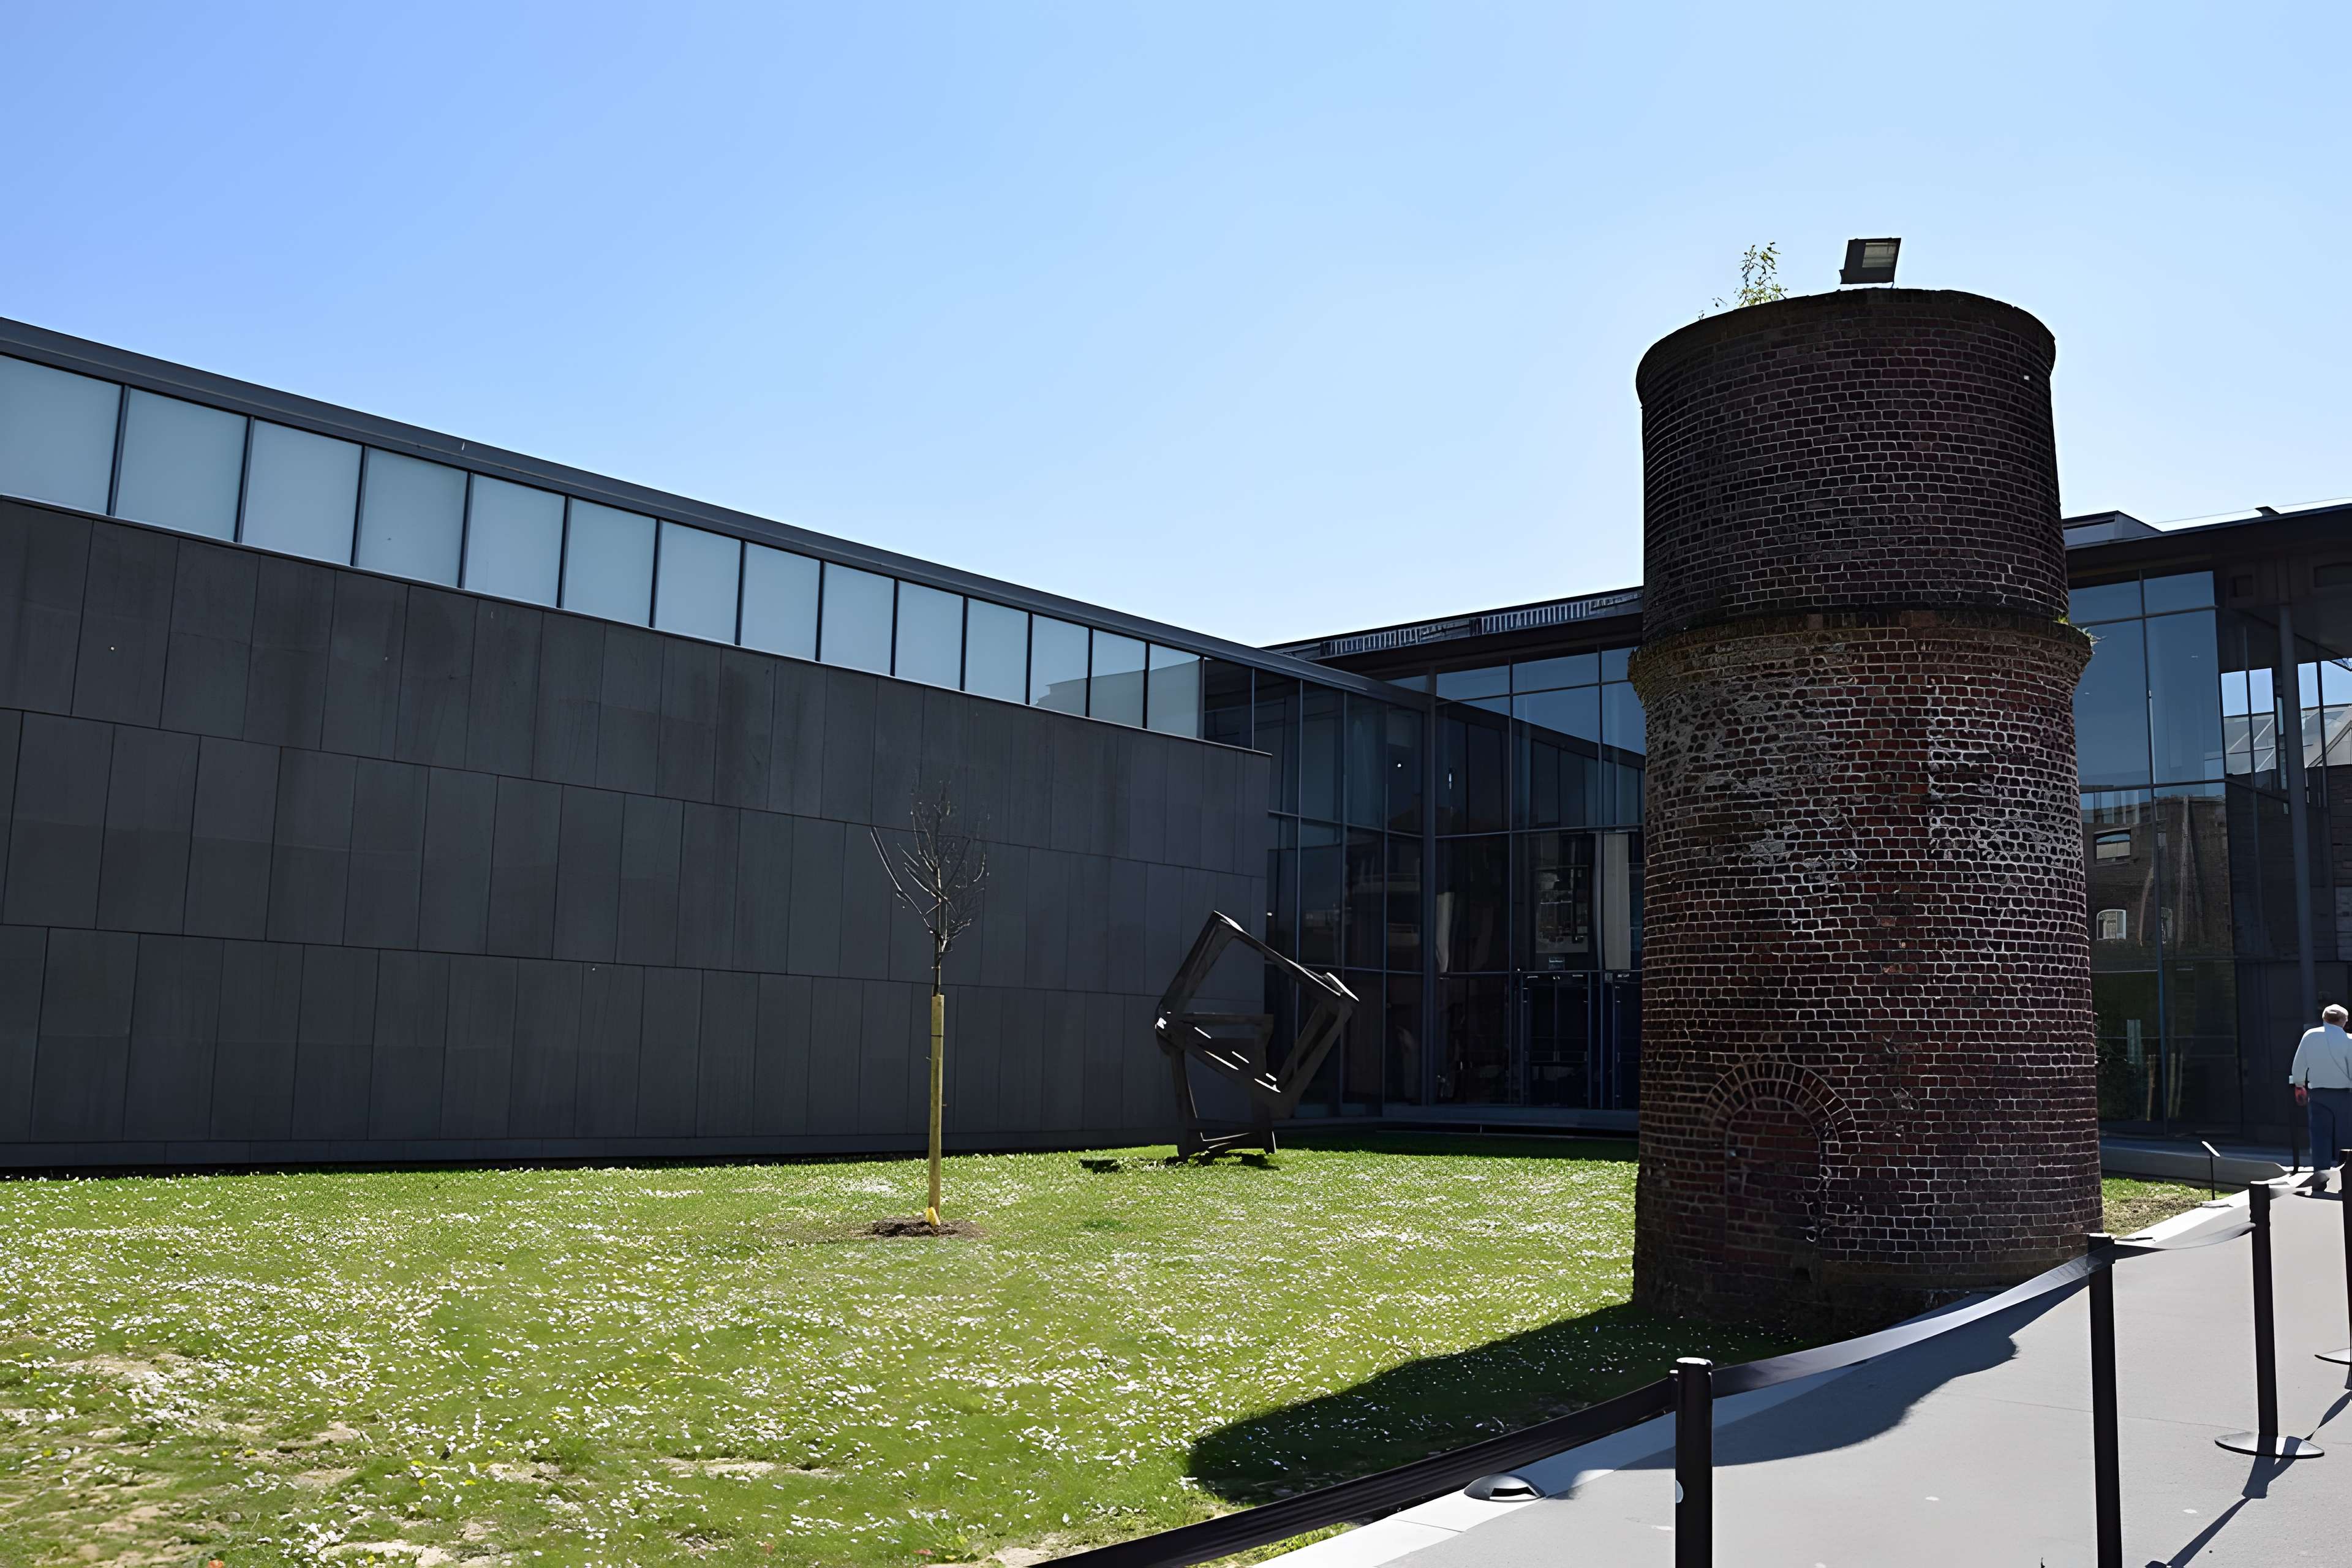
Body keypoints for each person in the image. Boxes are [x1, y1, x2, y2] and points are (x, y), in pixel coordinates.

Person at [2288, 1003, 2352, 1194]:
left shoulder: (2310, 1036)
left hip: (2319, 1095)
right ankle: (2346, 1181)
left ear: (2324, 1019)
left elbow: (2299, 1064)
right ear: (2344, 1021)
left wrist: (2299, 1085)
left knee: (2320, 1138)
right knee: (2346, 1140)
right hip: (2345, 1096)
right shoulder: (2350, 1041)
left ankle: (2320, 1181)